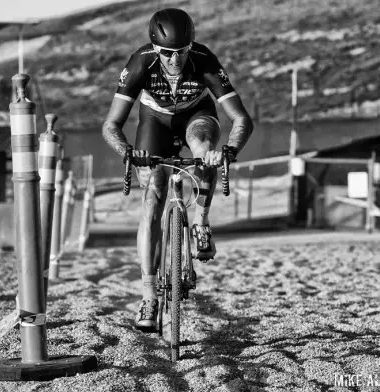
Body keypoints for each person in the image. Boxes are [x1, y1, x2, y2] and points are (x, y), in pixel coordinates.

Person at [102, 8, 254, 332]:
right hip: (154, 121)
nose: (175, 61)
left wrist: (227, 152)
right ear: (155, 50)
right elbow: (111, 125)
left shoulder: (204, 60)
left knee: (204, 149)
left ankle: (201, 221)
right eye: (167, 54)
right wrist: (128, 152)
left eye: (181, 52)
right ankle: (148, 296)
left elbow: (241, 119)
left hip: (196, 115)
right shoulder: (140, 63)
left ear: (190, 47)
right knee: (152, 200)